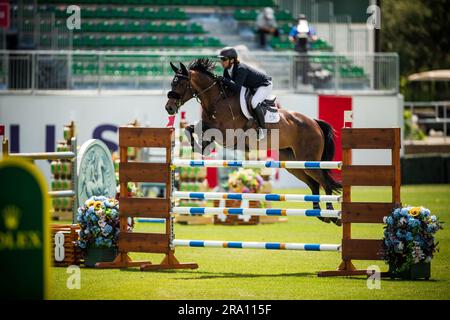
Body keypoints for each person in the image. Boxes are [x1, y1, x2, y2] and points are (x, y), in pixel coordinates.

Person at [217, 47, 273, 139]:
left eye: (224, 59)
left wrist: (223, 80)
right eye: (221, 59)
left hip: (264, 85)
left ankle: (263, 129)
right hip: (251, 86)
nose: (221, 61)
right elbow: (228, 87)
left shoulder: (241, 69)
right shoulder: (226, 70)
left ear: (232, 60)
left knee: (254, 102)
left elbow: (236, 88)